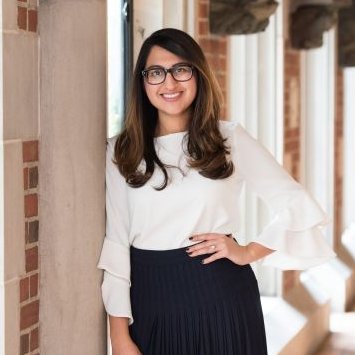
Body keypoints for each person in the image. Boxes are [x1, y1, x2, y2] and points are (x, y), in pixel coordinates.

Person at [98, 28, 335, 355]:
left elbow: (297, 205)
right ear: (142, 82)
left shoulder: (228, 139)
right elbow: (116, 244)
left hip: (221, 298)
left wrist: (248, 251)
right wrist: (120, 337)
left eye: (181, 70)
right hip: (150, 304)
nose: (169, 83)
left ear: (198, 75)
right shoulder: (119, 152)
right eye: (156, 73)